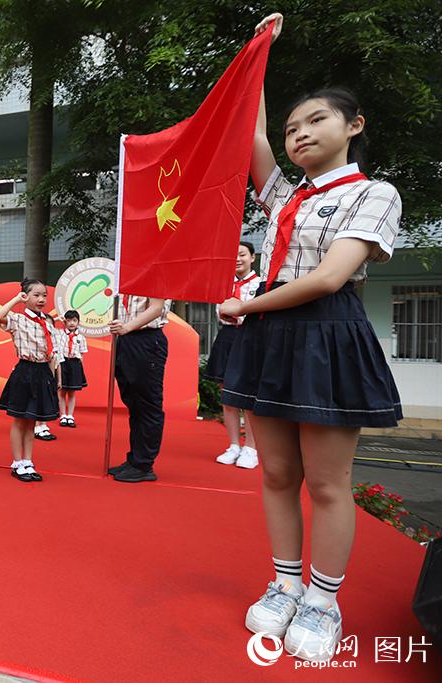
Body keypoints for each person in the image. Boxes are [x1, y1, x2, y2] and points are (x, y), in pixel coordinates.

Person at [218, 13, 403, 664]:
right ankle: (286, 584)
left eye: (315, 120)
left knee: (327, 483)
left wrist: (245, 303)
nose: (298, 133)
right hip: (270, 335)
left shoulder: (373, 194)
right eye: (293, 127)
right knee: (275, 472)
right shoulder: (282, 197)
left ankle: (323, 600)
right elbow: (253, 134)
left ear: (353, 126)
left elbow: (328, 277)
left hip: (325, 333)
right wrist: (257, 56)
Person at [0, 279, 62, 483]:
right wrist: (16, 299)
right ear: (26, 297)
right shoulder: (18, 319)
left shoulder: (48, 324)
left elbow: (52, 355)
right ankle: (17, 463)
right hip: (25, 372)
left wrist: (54, 378)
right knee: (19, 419)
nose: (41, 299)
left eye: (44, 295)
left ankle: (28, 461)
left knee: (32, 421)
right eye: (36, 295)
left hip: (43, 373)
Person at [206, 242, 261, 468]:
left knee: (248, 396)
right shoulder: (224, 284)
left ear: (252, 257)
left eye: (242, 254)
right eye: (234, 256)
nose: (238, 259)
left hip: (250, 338)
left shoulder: (261, 284)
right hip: (227, 336)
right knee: (227, 395)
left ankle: (251, 448)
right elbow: (220, 311)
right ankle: (234, 445)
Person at [107, 296, 172, 483]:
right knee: (134, 404)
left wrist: (127, 327)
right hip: (126, 339)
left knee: (148, 404)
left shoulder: (155, 277)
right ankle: (135, 459)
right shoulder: (127, 280)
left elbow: (156, 308)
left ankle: (144, 464)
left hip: (146, 339)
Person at [57, 310, 88, 428]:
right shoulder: (60, 334)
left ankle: (70, 415)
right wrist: (58, 319)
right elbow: (49, 327)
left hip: (75, 364)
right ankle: (63, 415)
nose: (71, 323)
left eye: (74, 320)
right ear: (65, 321)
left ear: (78, 322)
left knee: (72, 392)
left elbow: (82, 354)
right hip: (63, 363)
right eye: (69, 320)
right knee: (62, 391)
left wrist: (80, 370)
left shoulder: (81, 337)